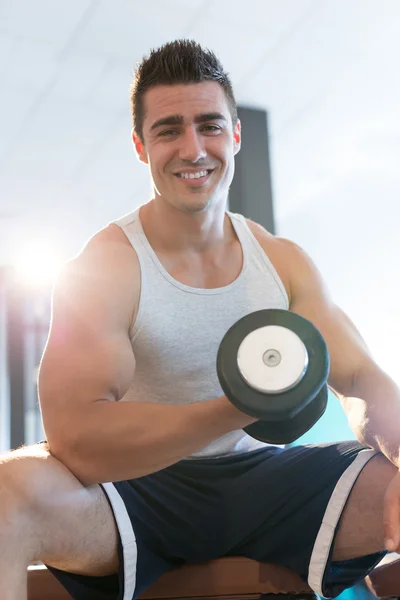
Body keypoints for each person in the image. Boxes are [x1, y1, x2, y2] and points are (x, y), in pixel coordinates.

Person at [1, 39, 400, 600]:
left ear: (235, 135)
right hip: (135, 491)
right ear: (141, 146)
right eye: (169, 130)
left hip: (268, 484)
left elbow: (362, 381)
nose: (193, 149)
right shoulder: (106, 266)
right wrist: (235, 407)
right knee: (10, 493)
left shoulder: (281, 262)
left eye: (210, 126)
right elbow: (77, 440)